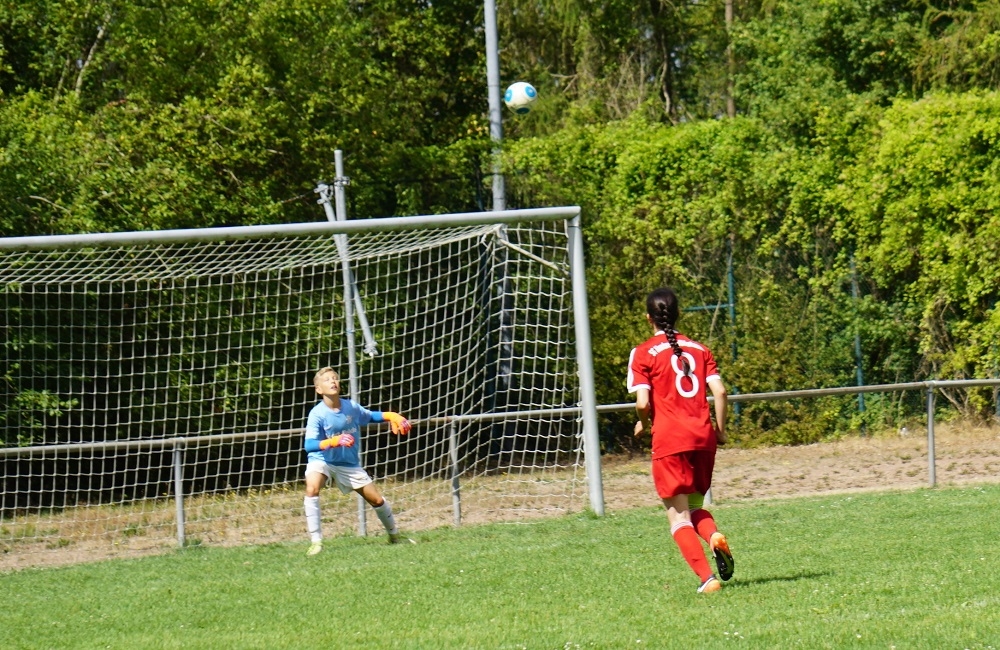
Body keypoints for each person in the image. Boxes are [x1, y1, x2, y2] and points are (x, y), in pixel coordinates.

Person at [626, 288, 735, 593]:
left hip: (670, 439)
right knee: (696, 505)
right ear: (678, 315)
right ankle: (712, 536)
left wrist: (645, 423)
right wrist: (721, 430)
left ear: (648, 318)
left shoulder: (643, 352)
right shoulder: (700, 349)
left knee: (678, 517)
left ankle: (707, 579)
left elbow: (643, 403)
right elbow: (720, 392)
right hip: (703, 437)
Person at [302, 366, 413, 555]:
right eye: (327, 379)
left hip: (347, 464)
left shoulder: (350, 407)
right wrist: (333, 441)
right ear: (318, 389)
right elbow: (309, 445)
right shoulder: (317, 414)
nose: (333, 381)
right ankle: (316, 542)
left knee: (377, 500)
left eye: (335, 378)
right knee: (312, 488)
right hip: (322, 459)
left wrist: (391, 415)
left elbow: (369, 416)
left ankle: (394, 536)